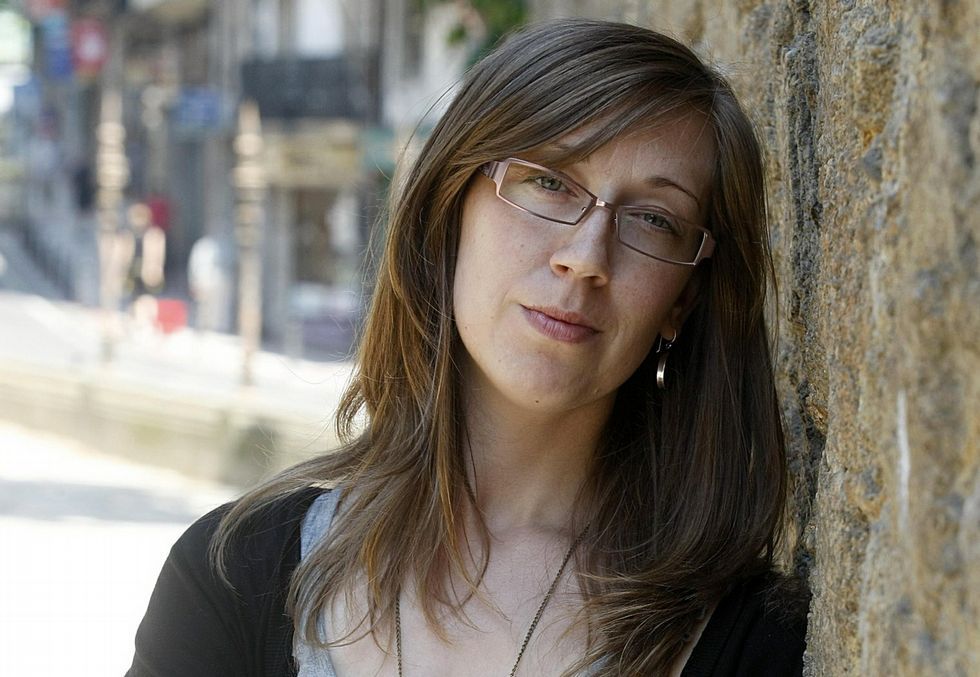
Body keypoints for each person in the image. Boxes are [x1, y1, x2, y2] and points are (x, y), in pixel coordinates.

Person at [128, 18, 807, 677]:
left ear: (682, 300)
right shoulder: (231, 575)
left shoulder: (754, 645)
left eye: (654, 220)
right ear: (450, 210)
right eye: (550, 181)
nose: (585, 257)